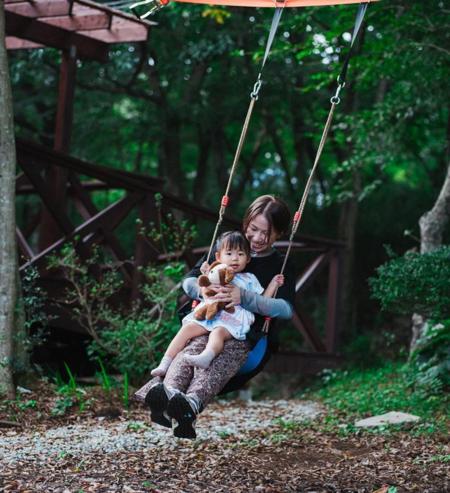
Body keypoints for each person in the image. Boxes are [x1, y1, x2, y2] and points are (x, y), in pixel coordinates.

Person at [134, 195, 296, 439]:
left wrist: (245, 298)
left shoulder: (279, 264)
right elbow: (188, 282)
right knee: (192, 350)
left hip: (245, 335)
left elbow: (285, 309)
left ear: (280, 233)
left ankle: (190, 404)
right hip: (208, 322)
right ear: (246, 223)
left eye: (268, 233)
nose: (258, 238)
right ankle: (165, 394)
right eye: (253, 229)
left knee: (218, 357)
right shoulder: (226, 247)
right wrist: (206, 290)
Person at [150, 230, 284, 376]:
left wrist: (273, 285)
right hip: (209, 315)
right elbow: (199, 284)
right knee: (186, 330)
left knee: (218, 333)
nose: (235, 259)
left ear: (248, 259)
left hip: (231, 319)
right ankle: (165, 363)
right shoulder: (214, 272)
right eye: (229, 253)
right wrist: (204, 274)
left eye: (240, 254)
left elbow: (262, 300)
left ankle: (206, 356)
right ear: (218, 256)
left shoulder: (249, 279)